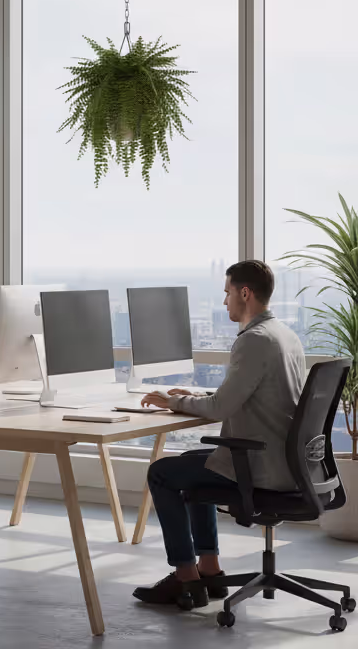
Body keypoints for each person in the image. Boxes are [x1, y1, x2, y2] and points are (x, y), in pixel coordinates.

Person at [132, 260, 305, 607]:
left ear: (245, 293)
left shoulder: (253, 340)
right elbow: (239, 396)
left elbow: (219, 410)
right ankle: (209, 570)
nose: (224, 301)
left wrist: (174, 402)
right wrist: (192, 398)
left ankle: (185, 578)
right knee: (191, 464)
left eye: (227, 293)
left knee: (162, 474)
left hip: (260, 466)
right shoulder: (284, 334)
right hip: (286, 461)